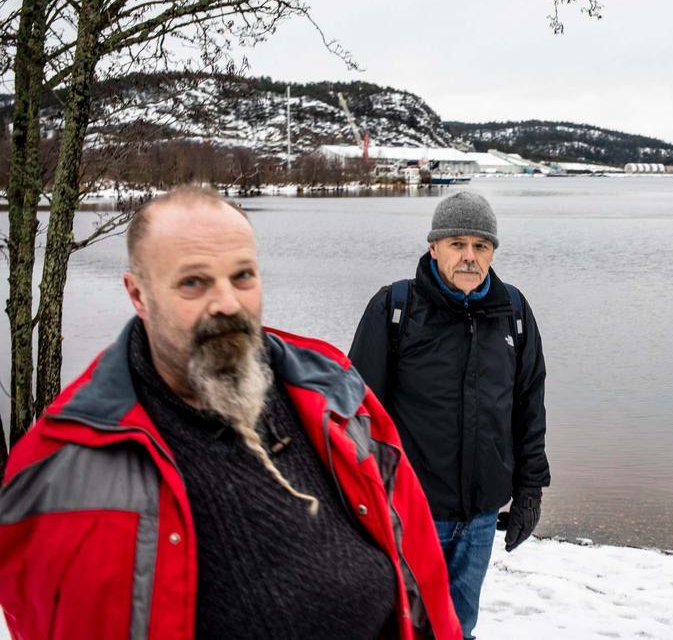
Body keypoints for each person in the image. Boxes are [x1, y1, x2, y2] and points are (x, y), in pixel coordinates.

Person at [0, 186, 460, 640]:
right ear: (138, 294)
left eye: (243, 276)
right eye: (193, 282)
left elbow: (421, 570)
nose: (227, 303)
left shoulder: (335, 395)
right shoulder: (60, 470)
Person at [349, 191, 549, 639]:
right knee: (403, 625)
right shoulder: (395, 308)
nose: (469, 256)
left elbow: (528, 406)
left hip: (480, 515)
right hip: (411, 511)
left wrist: (530, 489)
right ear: (433, 246)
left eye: (480, 245)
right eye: (457, 243)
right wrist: (361, 499)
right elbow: (358, 411)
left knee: (460, 626)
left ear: (493, 251)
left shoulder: (512, 312)